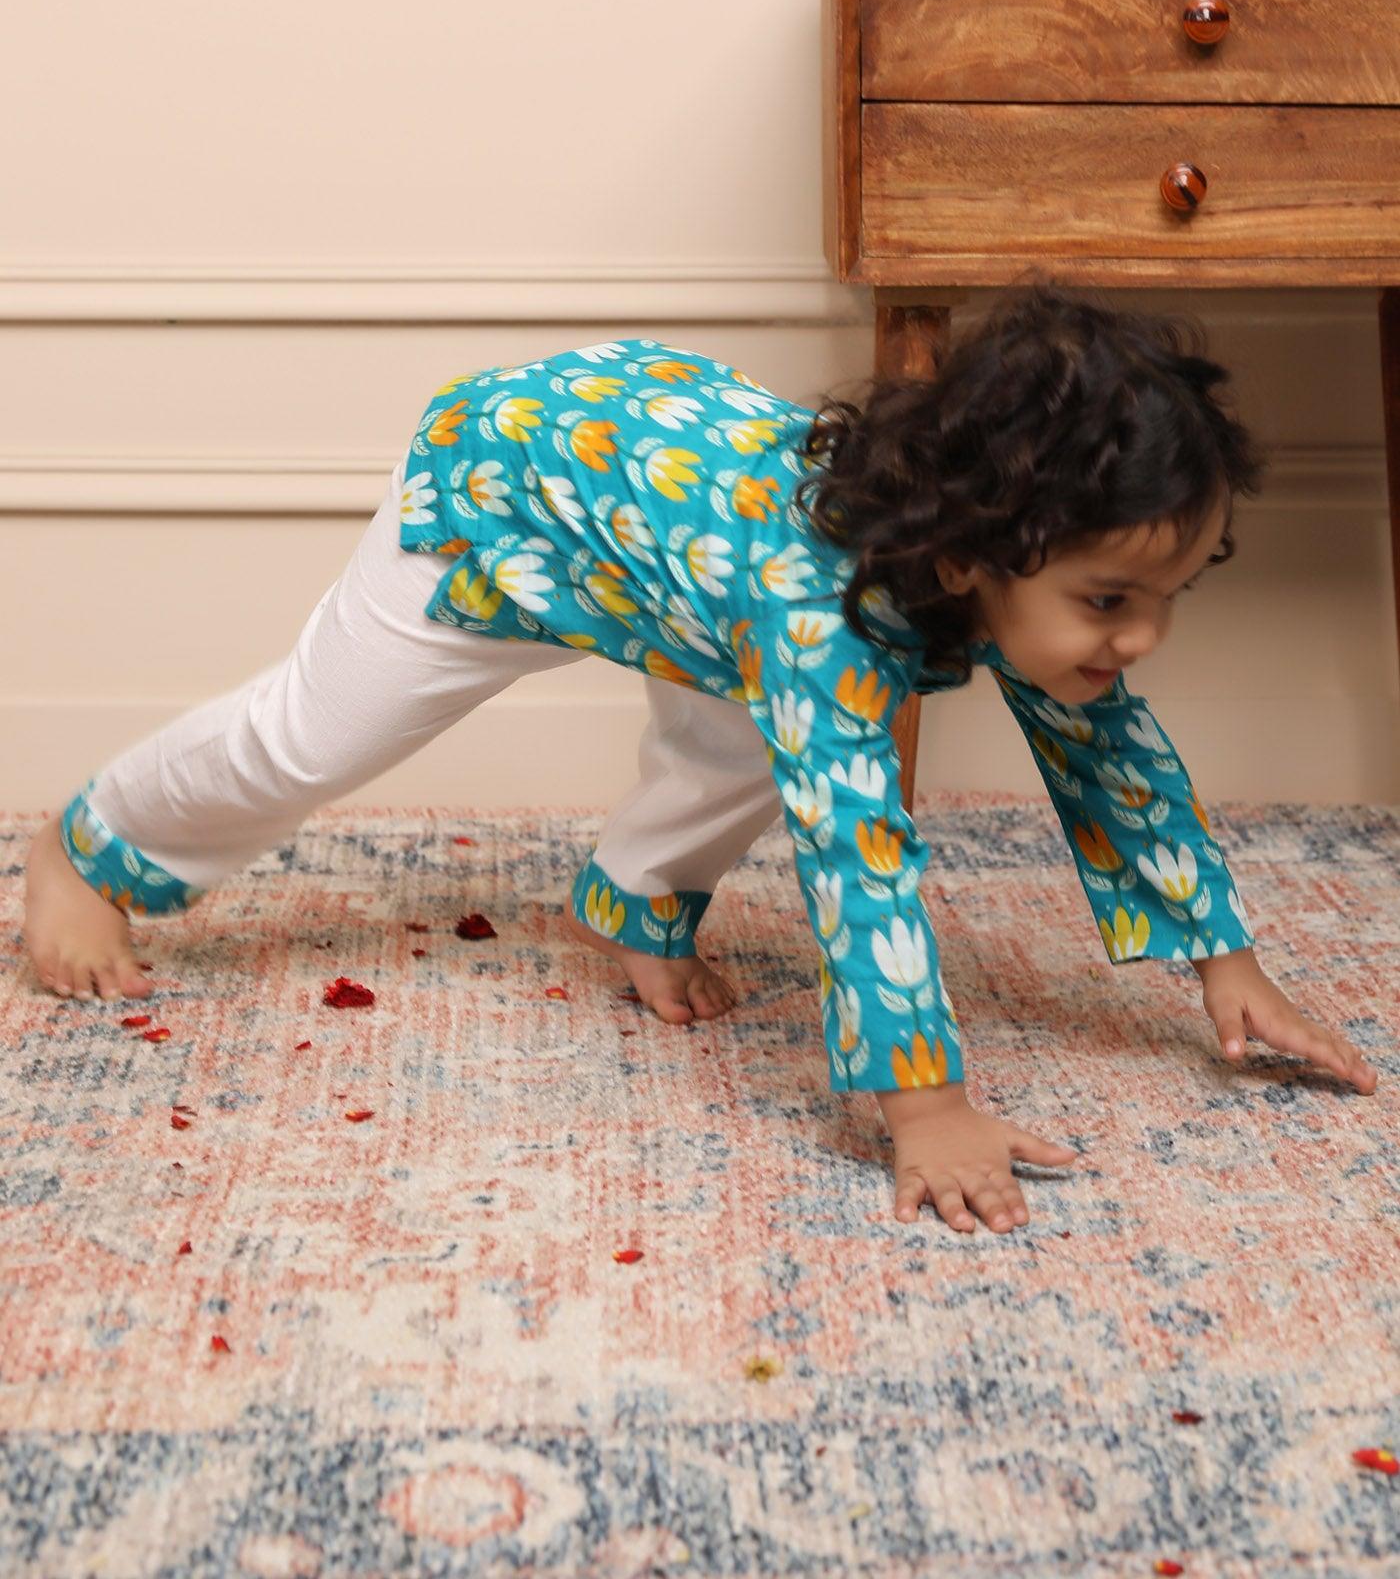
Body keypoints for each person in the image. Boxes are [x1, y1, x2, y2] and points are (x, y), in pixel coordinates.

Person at [22, 280, 1379, 1235]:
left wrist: (1228, 966)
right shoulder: (818, 622)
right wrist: (927, 1109)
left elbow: (1109, 752)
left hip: (677, 527)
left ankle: (634, 898)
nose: (1140, 640)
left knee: (748, 734)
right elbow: (857, 856)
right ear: (974, 554)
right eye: (1111, 602)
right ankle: (91, 846)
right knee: (309, 738)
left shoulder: (983, 575)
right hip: (508, 486)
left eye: (1168, 599)